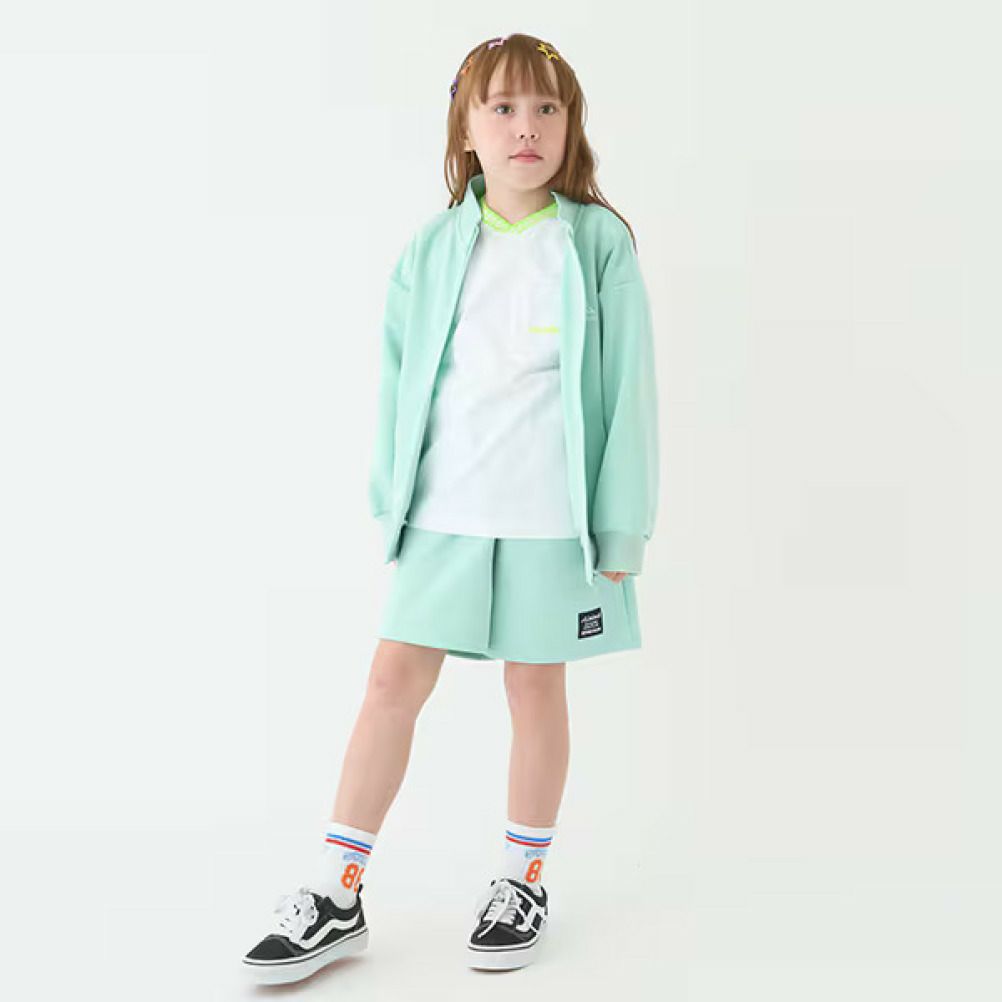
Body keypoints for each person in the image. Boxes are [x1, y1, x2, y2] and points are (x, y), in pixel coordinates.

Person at [241, 31, 659, 985]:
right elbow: (398, 384)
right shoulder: (430, 249)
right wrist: (391, 501)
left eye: (546, 108)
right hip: (443, 513)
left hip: (554, 522)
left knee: (535, 688)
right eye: (503, 108)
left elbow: (630, 392)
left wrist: (621, 525)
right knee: (391, 683)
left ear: (571, 125)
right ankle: (338, 891)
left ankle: (523, 880)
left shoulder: (598, 243)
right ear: (466, 130)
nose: (526, 127)